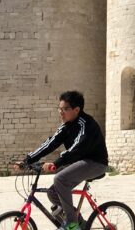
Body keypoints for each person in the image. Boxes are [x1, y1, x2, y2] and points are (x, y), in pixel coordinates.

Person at [20, 91, 109, 230]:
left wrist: (55, 164)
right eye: (59, 108)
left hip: (95, 163)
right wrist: (27, 160)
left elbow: (76, 148)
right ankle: (81, 224)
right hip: (79, 164)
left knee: (60, 179)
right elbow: (50, 144)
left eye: (65, 109)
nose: (61, 112)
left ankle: (72, 224)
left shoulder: (85, 124)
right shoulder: (65, 126)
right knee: (53, 193)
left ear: (77, 109)